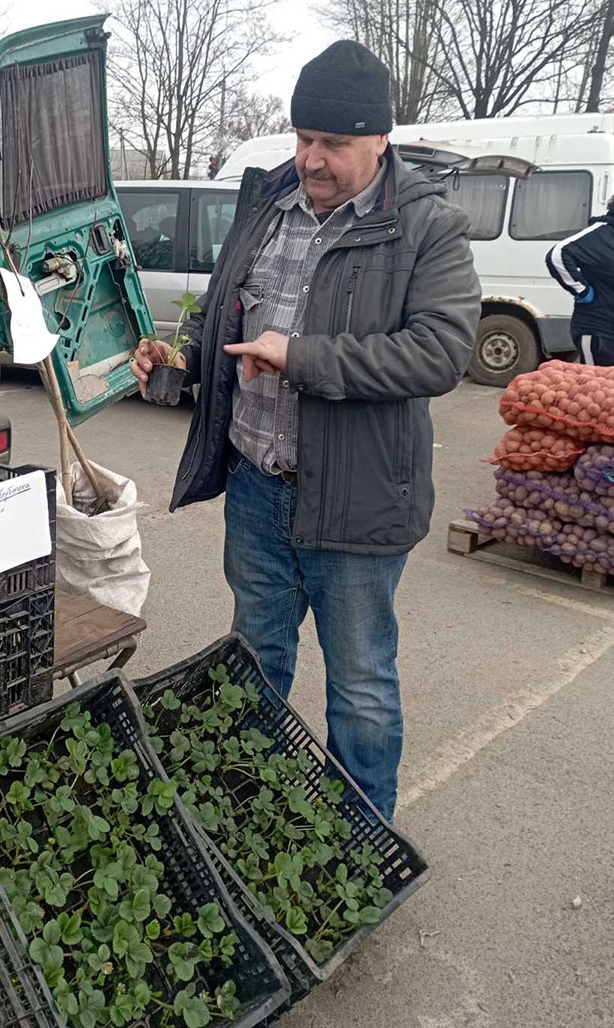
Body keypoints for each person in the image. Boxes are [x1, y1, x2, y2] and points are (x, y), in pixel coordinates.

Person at [130, 40, 480, 822]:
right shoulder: (265, 205)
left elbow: (442, 351)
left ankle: (362, 843)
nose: (313, 160)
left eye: (335, 144)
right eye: (303, 139)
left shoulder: (425, 227)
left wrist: (303, 359)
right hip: (258, 491)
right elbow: (229, 315)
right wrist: (175, 362)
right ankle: (248, 820)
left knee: (360, 688)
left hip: (356, 508)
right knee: (253, 660)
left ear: (380, 139)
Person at [546, 198, 614, 366]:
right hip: (598, 329)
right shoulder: (601, 233)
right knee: (594, 387)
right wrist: (582, 291)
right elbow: (557, 255)